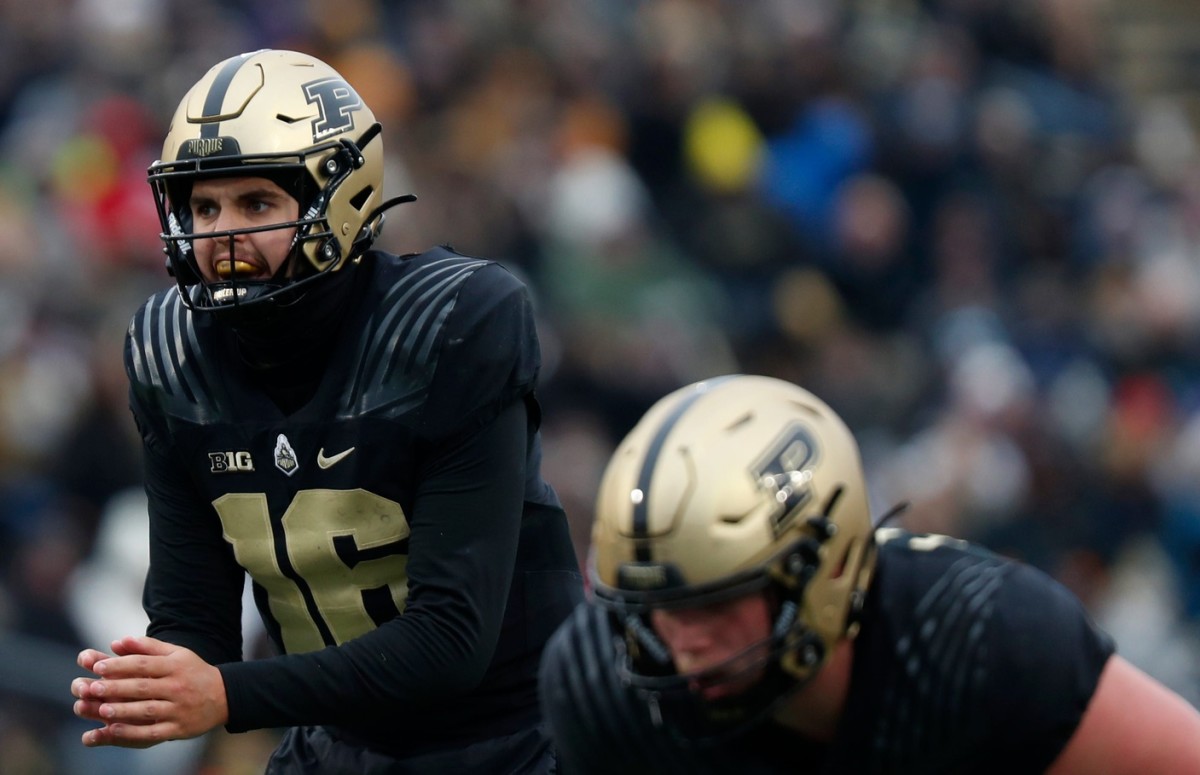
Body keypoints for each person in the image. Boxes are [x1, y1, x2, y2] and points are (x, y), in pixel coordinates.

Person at [69, 48, 583, 773]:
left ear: (338, 201)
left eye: (254, 204)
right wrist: (152, 682)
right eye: (203, 206)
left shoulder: (450, 326)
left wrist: (225, 693)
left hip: (517, 737)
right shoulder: (172, 356)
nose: (220, 236)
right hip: (342, 745)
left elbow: (448, 641)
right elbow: (196, 622)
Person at [538, 374, 1200, 774]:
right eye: (655, 606)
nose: (681, 640)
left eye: (717, 602)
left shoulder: (976, 639)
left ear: (824, 568)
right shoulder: (601, 686)